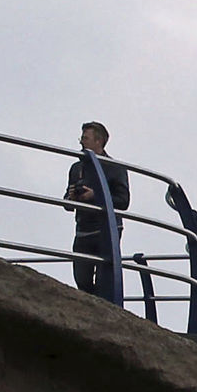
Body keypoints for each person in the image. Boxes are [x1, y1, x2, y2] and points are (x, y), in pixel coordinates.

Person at [62, 121, 131, 299]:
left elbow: (123, 202)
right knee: (81, 279)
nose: (81, 142)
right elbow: (67, 204)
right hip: (83, 230)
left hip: (106, 230)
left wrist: (96, 196)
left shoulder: (115, 168)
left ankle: (104, 314)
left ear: (98, 141)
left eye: (85, 138)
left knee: (104, 279)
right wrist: (72, 197)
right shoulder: (77, 168)